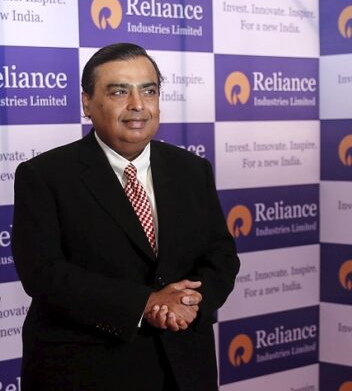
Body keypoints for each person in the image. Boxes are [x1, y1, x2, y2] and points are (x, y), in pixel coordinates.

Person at [11, 43, 240, 391]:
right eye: (119, 91)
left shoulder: (192, 169)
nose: (138, 105)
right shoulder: (44, 175)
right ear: (87, 102)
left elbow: (220, 256)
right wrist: (145, 303)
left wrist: (192, 301)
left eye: (149, 90)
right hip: (87, 371)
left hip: (184, 366)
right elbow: (43, 274)